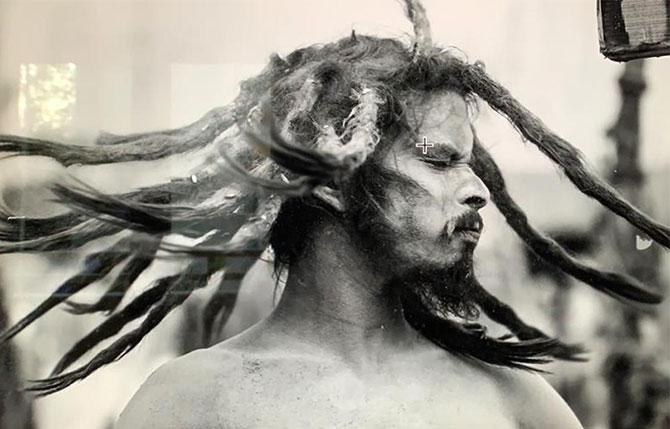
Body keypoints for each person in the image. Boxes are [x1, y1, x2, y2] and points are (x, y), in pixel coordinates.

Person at [0, 0, 666, 427]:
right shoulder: (188, 405)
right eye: (439, 160)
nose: (476, 190)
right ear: (330, 181)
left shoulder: (519, 406)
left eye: (473, 164)